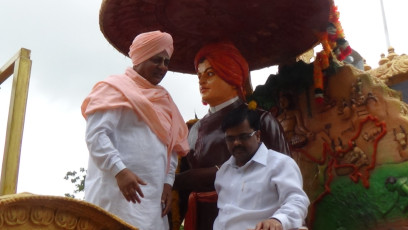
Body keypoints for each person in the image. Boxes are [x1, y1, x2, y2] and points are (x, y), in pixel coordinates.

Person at [173, 42, 291, 230]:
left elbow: (286, 180)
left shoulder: (262, 120)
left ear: (233, 75)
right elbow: (180, 192)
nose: (202, 81)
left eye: (210, 73)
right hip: (201, 219)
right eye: (199, 75)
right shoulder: (192, 130)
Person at [81, 30, 189, 229]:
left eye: (166, 62)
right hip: (115, 195)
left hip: (153, 201)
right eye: (157, 60)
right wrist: (119, 171)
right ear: (140, 58)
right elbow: (96, 136)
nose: (162, 67)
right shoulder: (114, 88)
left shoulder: (166, 101)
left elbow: (173, 146)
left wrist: (168, 182)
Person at [214, 106, 310, 230]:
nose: (236, 143)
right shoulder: (223, 172)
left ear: (258, 135)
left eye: (243, 136)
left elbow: (297, 201)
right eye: (230, 139)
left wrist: (277, 220)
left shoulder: (280, 164)